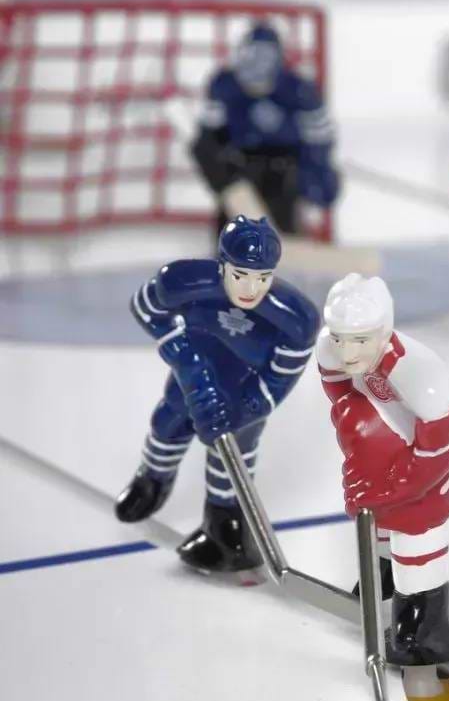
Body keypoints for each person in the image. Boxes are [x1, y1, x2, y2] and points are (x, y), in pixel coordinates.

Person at [115, 215, 320, 573]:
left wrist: (244, 409)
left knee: (232, 452)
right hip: (189, 378)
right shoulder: (184, 282)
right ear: (222, 266)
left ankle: (226, 526)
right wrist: (183, 355)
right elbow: (144, 307)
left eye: (262, 278)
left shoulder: (294, 319)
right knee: (168, 423)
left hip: (242, 391)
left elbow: (281, 376)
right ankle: (151, 480)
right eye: (240, 275)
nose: (250, 289)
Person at [317, 273, 449, 667]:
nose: (346, 351)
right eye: (339, 337)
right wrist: (365, 447)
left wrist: (393, 488)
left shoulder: (420, 374)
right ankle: (388, 574)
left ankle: (427, 624)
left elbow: (437, 451)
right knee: (384, 516)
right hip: (396, 435)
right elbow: (342, 398)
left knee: (416, 518)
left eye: (359, 339)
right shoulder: (328, 347)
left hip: (444, 446)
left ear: (384, 332)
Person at [190, 22, 339, 239]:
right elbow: (207, 141)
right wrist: (221, 175)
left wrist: (317, 177)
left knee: (281, 226)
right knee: (231, 231)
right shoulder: (224, 86)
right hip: (239, 167)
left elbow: (318, 144)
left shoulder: (300, 92)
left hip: (283, 170)